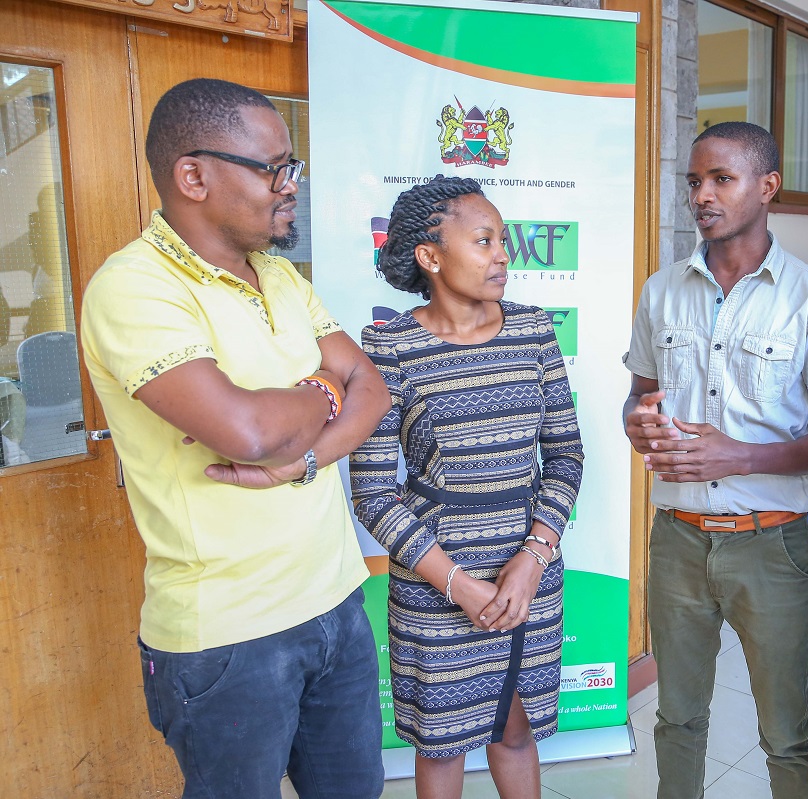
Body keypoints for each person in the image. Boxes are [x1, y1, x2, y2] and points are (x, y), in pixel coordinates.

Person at [80, 78, 390, 798]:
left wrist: (305, 453)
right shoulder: (132, 288)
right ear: (194, 175)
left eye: (294, 167)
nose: (291, 186)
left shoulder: (279, 276)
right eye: (274, 167)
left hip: (337, 604)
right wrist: (321, 386)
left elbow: (371, 385)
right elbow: (248, 432)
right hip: (228, 638)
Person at [622, 121, 808, 799]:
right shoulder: (661, 291)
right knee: (677, 718)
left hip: (772, 544)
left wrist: (740, 452)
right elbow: (637, 398)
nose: (702, 194)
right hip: (677, 541)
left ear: (767, 186)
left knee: (787, 732)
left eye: (721, 178)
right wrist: (641, 426)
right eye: (694, 181)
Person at [350, 176, 583, 799]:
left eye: (503, 240)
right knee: (442, 745)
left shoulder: (534, 333)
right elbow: (374, 492)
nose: (502, 254)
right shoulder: (390, 346)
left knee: (516, 729)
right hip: (435, 582)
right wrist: (456, 582)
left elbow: (565, 457)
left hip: (528, 575)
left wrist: (533, 559)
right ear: (430, 256)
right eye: (484, 240)